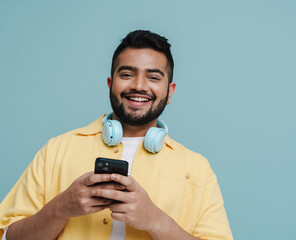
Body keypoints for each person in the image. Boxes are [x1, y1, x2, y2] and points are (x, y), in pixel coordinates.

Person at [0, 30, 233, 240]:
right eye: (127, 74)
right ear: (111, 84)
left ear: (169, 91)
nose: (139, 86)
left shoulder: (199, 169)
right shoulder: (55, 151)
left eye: (153, 77)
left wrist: (156, 221)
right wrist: (61, 207)